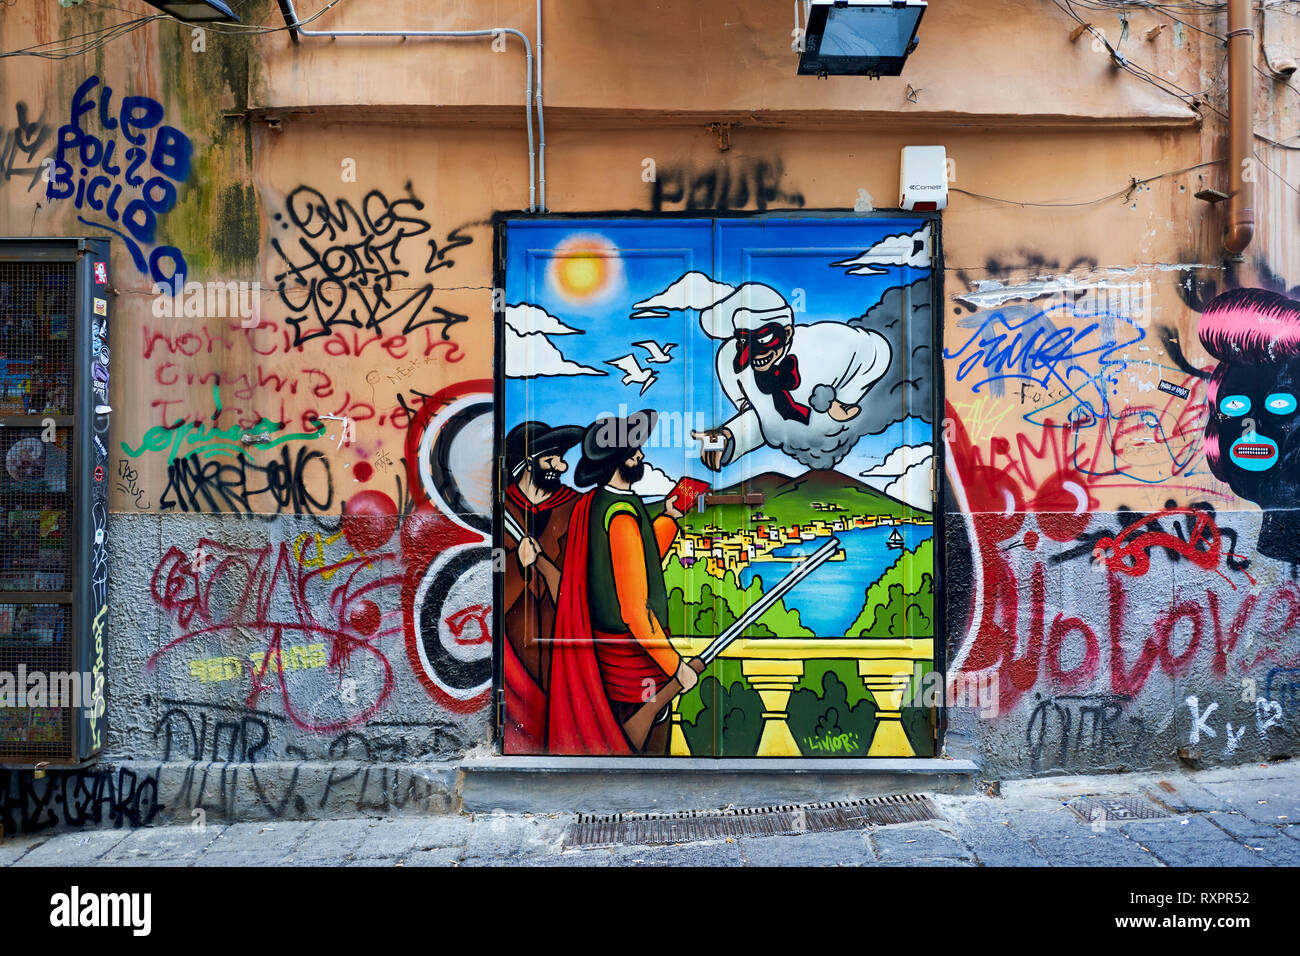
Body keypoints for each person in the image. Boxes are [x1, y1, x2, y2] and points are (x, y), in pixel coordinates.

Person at [547, 409, 698, 755]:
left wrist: (670, 517)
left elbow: (637, 561)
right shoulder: (620, 515)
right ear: (617, 459)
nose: (641, 456)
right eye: (633, 452)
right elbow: (634, 610)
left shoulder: (602, 504)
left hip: (617, 663)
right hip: (632, 669)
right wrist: (676, 666)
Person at [692, 282, 891, 471]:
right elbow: (765, 417)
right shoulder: (733, 366)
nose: (756, 354)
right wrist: (726, 437)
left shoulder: (831, 346)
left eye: (764, 338)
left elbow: (877, 352)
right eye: (745, 340)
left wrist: (845, 398)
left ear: (787, 333)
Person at [501, 420, 583, 754]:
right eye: (551, 458)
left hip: (562, 630)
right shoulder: (499, 508)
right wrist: (517, 564)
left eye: (561, 458)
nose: (561, 466)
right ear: (527, 462)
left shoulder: (574, 507)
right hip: (513, 641)